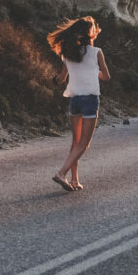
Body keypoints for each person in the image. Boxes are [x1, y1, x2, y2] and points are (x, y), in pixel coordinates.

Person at [47, 16, 110, 192]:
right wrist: (94, 72)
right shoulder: (96, 52)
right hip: (90, 99)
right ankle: (61, 173)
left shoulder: (68, 53)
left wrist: (55, 79)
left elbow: (61, 79)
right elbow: (106, 76)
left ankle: (75, 180)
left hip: (74, 100)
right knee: (84, 144)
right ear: (91, 34)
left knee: (75, 142)